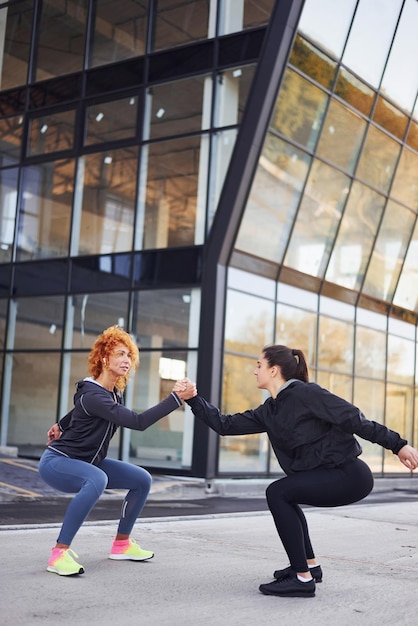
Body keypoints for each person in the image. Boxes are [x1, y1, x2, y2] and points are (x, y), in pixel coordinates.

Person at [180, 344, 418, 598]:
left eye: (259, 365)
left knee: (278, 492)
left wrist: (398, 445)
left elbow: (353, 418)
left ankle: (302, 579)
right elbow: (225, 424)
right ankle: (310, 567)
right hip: (328, 475)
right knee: (286, 493)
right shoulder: (270, 410)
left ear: (274, 370)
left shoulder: (306, 394)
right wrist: (193, 399)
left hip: (349, 474)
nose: (254, 371)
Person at [38, 324, 190, 577]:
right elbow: (138, 423)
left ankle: (121, 544)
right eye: (120, 353)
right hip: (59, 462)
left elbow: (79, 411)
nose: (126, 360)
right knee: (97, 478)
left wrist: (60, 425)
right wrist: (175, 398)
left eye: (129, 355)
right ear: (103, 358)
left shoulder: (112, 394)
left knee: (141, 479)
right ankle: (59, 554)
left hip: (89, 461)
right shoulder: (95, 395)